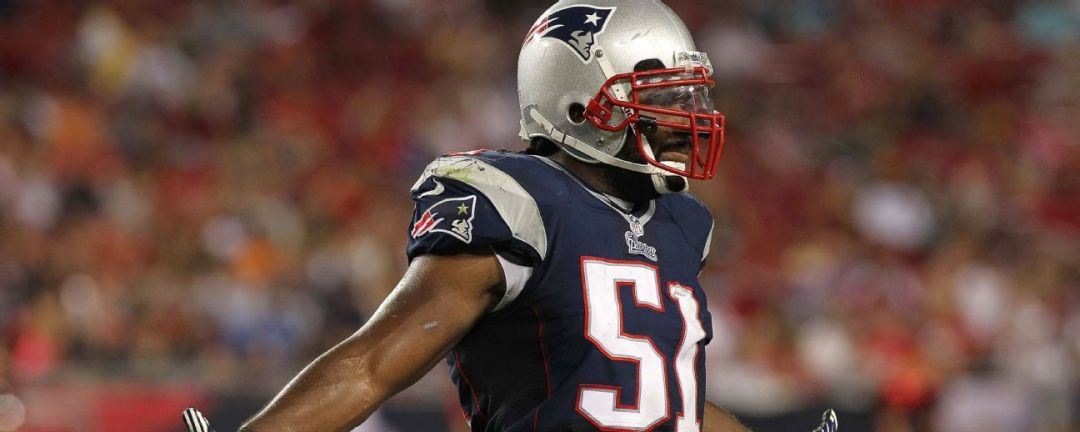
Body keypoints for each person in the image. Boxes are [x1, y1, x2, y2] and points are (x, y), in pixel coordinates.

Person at [185, 1, 838, 431]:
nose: (686, 120)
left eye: (691, 98)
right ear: (580, 106)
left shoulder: (679, 224)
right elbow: (374, 362)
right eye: (661, 100)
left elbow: (664, 402)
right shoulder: (516, 200)